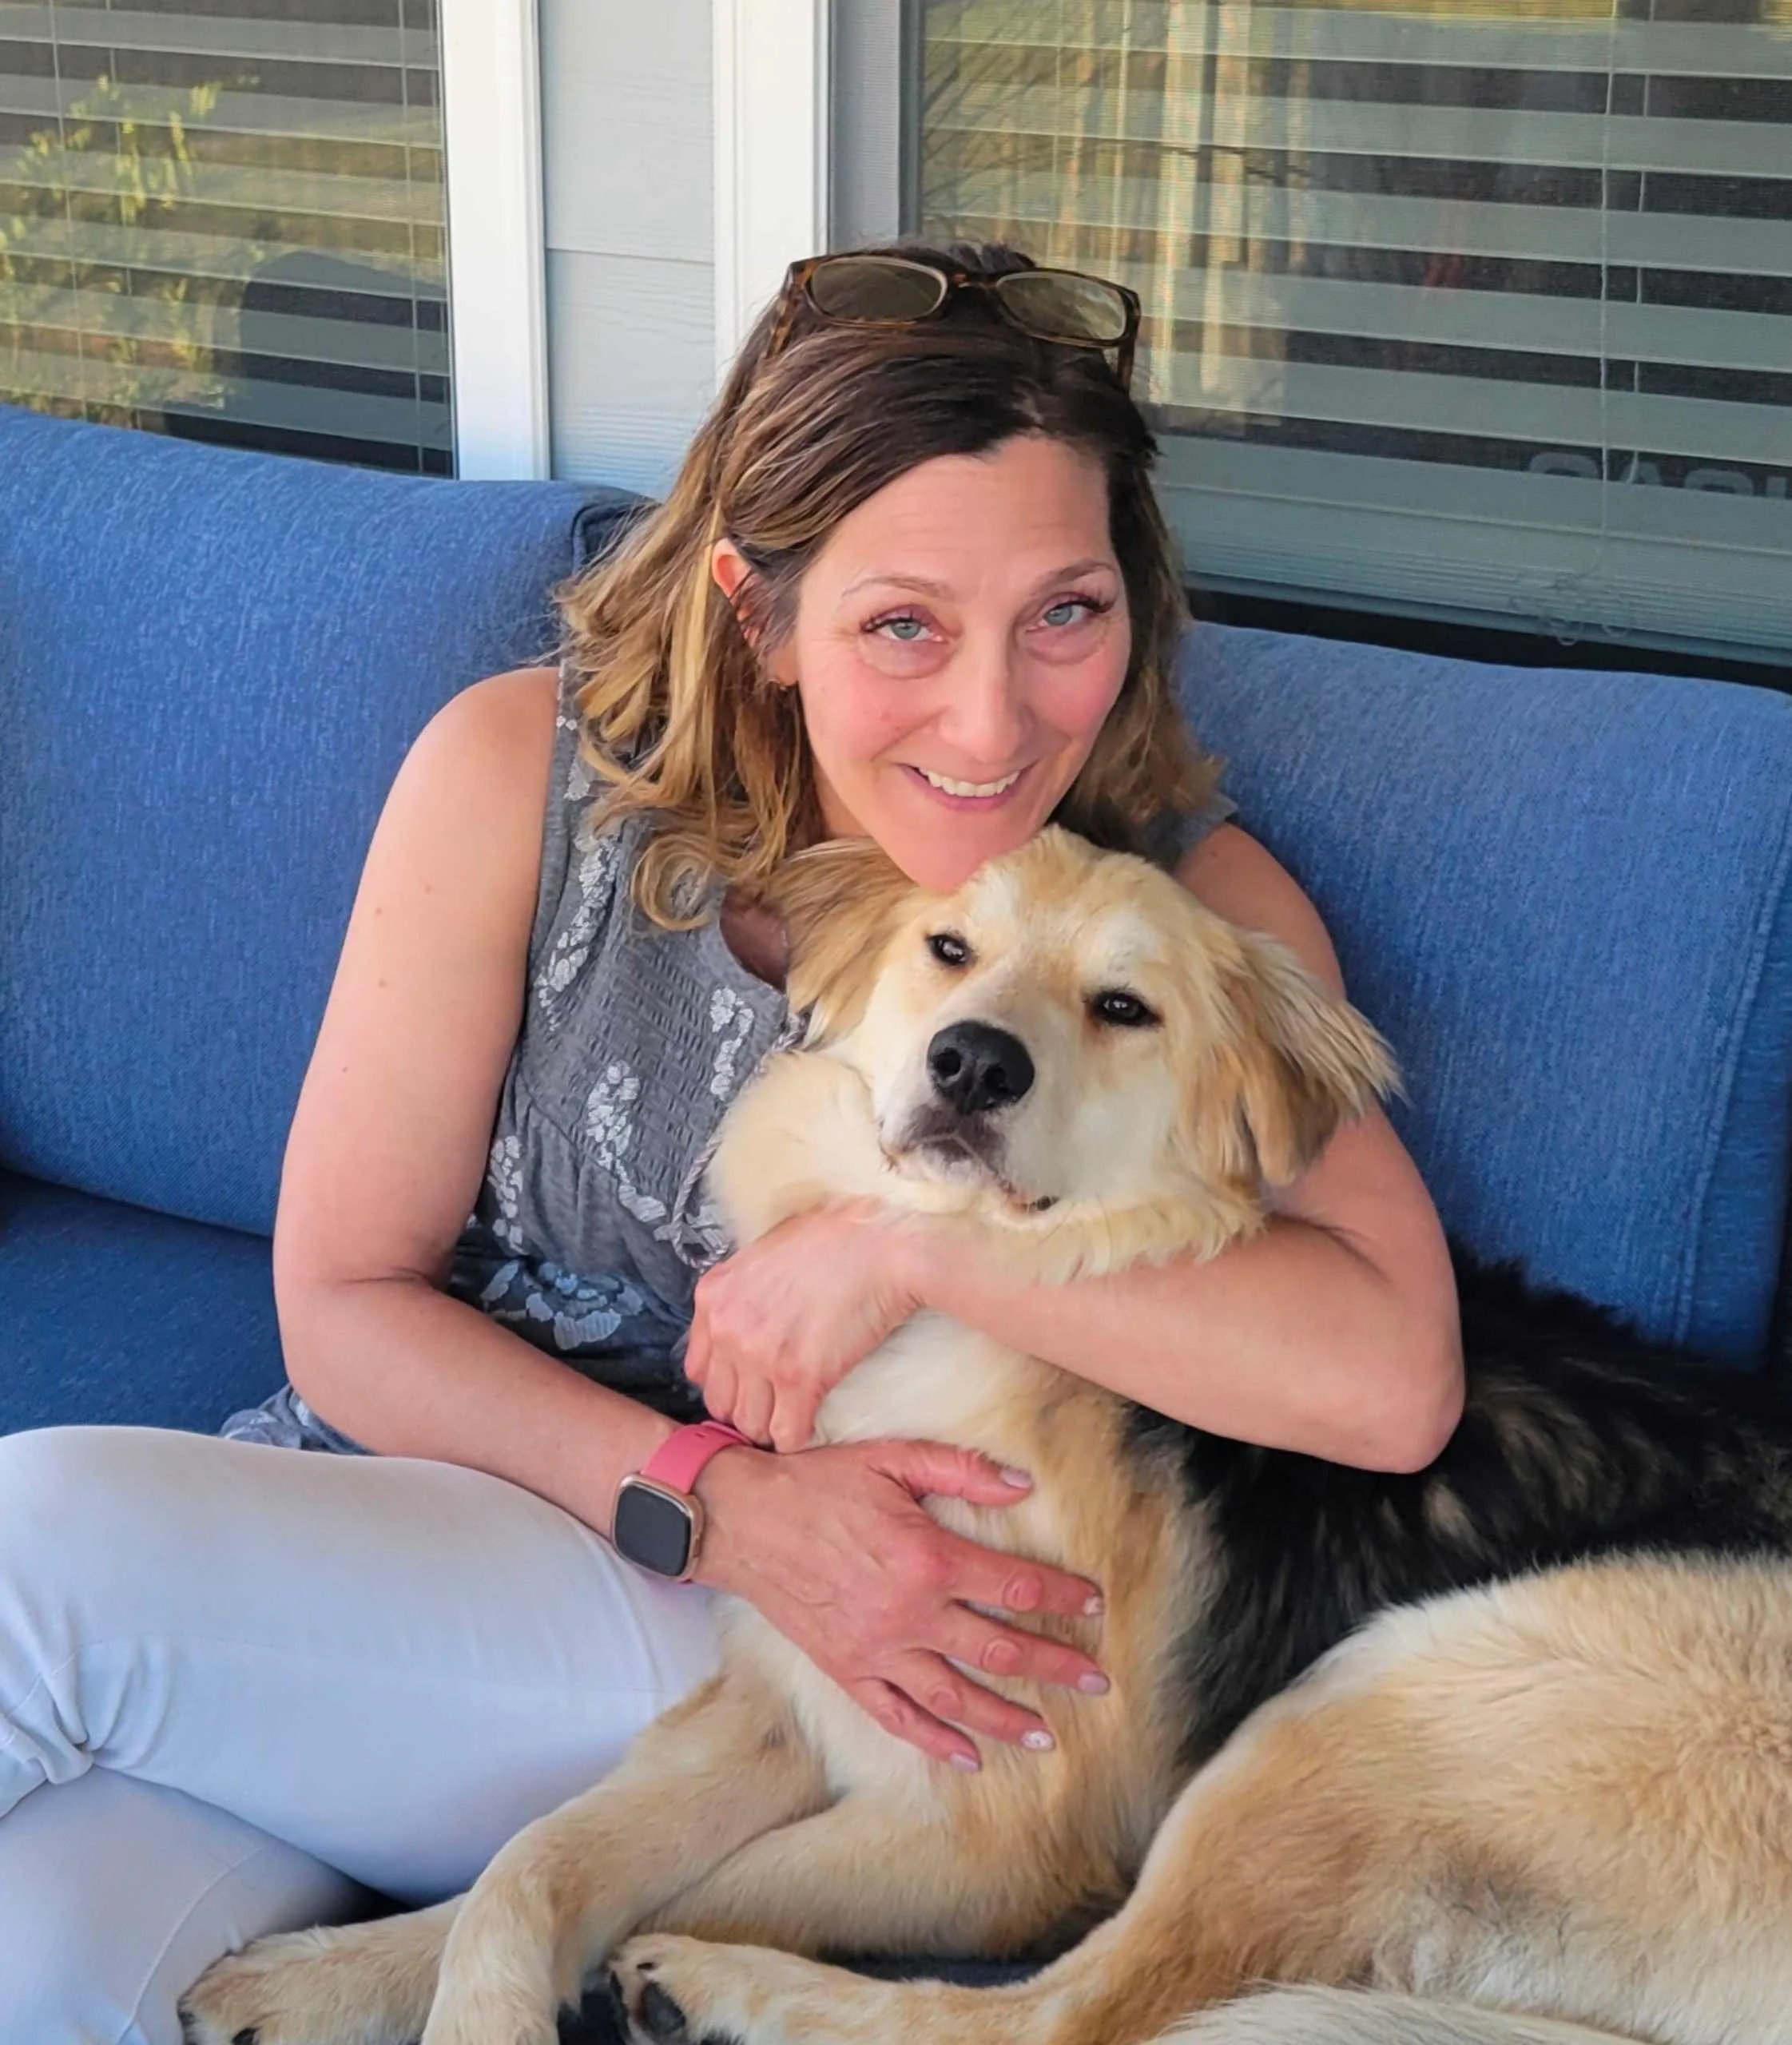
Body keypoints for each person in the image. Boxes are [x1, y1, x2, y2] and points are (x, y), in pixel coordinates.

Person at [0, 242, 1464, 2043]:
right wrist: (718, 1498)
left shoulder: (1173, 916)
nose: (995, 718)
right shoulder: (512, 779)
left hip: (763, 1655)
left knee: (32, 1547)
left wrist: (913, 1246)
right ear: (755, 610)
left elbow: (1390, 1374)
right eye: (901, 623)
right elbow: (342, 1297)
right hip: (456, 1523)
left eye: (1064, 613)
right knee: (51, 1958)